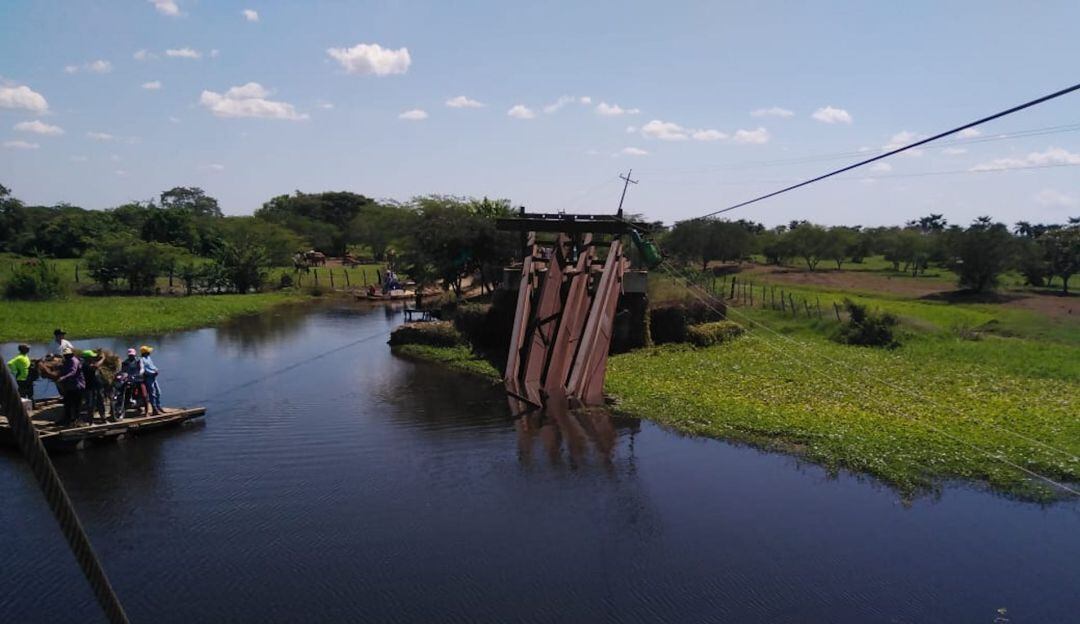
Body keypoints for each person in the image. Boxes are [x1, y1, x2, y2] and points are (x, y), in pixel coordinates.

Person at [56, 347, 85, 426]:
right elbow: (63, 370)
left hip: (77, 386)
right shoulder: (66, 361)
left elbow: (73, 372)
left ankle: (76, 420)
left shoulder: (74, 361)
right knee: (67, 403)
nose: (66, 356)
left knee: (76, 404)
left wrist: (63, 377)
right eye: (65, 355)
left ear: (71, 354)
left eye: (67, 355)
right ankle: (67, 420)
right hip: (69, 386)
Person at [120, 348, 148, 417]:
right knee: (125, 393)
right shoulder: (125, 362)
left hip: (139, 379)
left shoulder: (138, 361)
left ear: (135, 354)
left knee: (144, 395)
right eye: (130, 355)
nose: (131, 356)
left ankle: (146, 411)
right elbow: (123, 371)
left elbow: (142, 369)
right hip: (130, 380)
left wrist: (139, 373)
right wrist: (123, 375)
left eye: (132, 355)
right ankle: (122, 409)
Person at [81, 349, 106, 422]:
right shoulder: (86, 365)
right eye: (91, 357)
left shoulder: (88, 363)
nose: (93, 358)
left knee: (100, 401)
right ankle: (90, 420)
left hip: (97, 386)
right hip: (90, 387)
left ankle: (103, 417)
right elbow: (96, 366)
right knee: (91, 403)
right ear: (87, 358)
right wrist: (103, 358)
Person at [140, 345, 163, 415]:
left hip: (154, 377)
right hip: (149, 378)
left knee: (158, 392)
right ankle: (154, 409)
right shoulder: (142, 360)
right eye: (148, 351)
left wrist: (156, 370)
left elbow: (152, 366)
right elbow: (143, 370)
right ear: (145, 353)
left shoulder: (149, 358)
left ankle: (158, 406)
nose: (150, 352)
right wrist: (152, 373)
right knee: (152, 393)